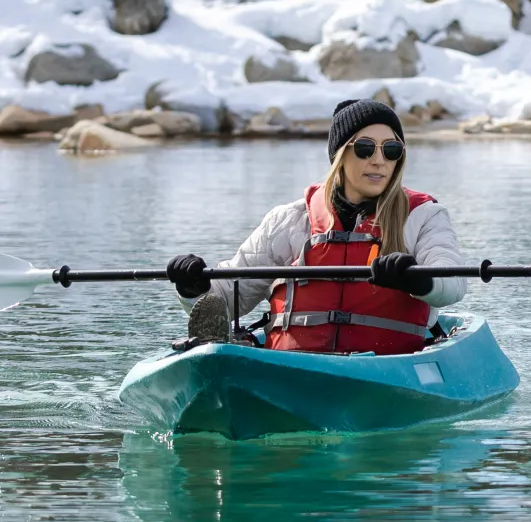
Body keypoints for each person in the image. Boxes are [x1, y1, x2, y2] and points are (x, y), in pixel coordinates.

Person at [164, 98, 470, 349]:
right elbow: (233, 298)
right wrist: (194, 286)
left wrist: (418, 279)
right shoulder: (289, 220)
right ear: (340, 154)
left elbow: (453, 283)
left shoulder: (423, 216)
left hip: (386, 365)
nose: (379, 160)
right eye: (365, 148)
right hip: (292, 366)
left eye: (391, 150)